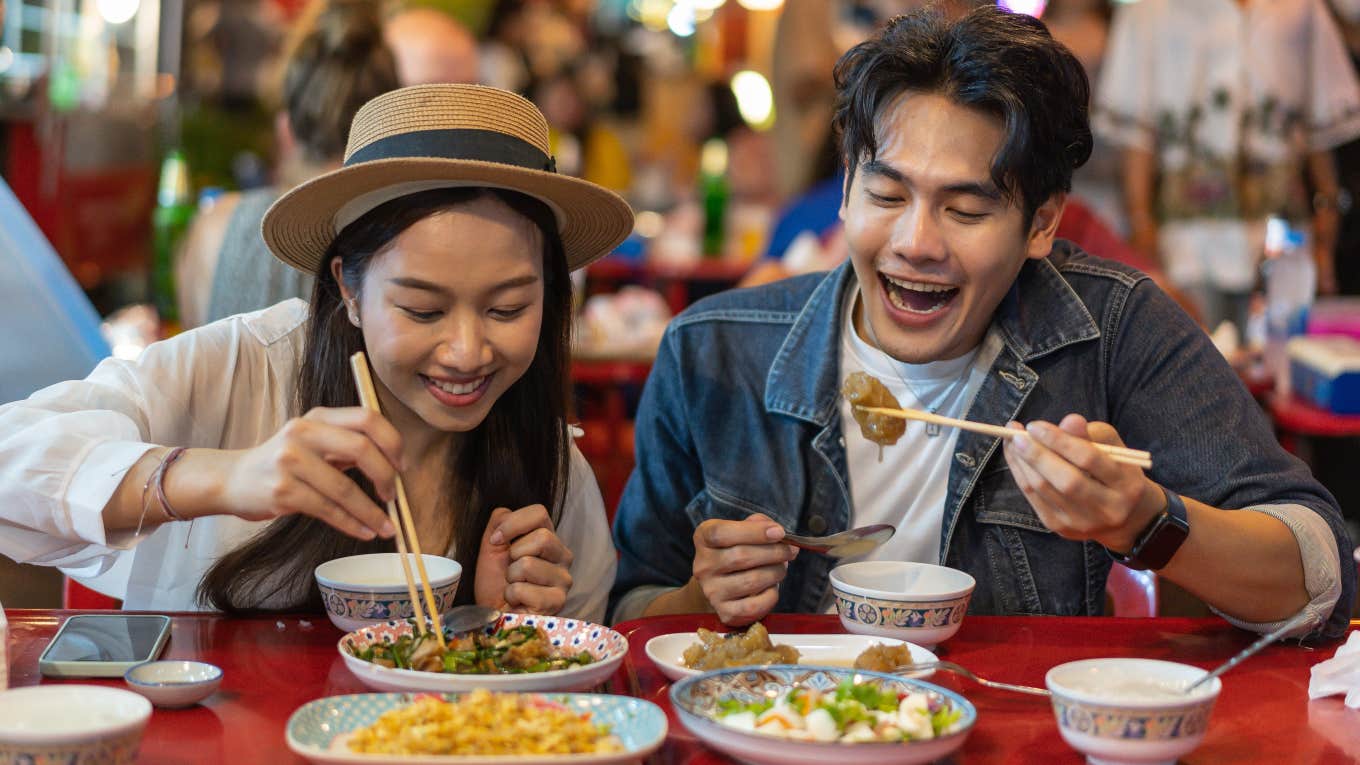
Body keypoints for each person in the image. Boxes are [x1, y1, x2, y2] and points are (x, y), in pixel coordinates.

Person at [609, 7, 1356, 641]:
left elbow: (1321, 573)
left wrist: (1146, 522)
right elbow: (630, 610)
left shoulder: (1113, 330)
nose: (916, 243)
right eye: (887, 195)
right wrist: (698, 599)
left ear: (1042, 224)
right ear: (844, 188)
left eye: (966, 209)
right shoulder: (712, 352)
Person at [0, 84, 635, 622]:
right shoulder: (248, 367)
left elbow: (572, 691)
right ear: (348, 290)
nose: (467, 352)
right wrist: (224, 476)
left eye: (507, 310)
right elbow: (13, 456)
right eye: (422, 310)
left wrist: (504, 630)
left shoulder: (550, 464)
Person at [176, 1, 481, 329]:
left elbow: (199, 361)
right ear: (390, 123)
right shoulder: (401, 233)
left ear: (287, 129)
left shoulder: (214, 228)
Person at [1096, 0, 1360, 329]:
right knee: (1193, 361)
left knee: (1282, 364)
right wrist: (1142, 232)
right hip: (1185, 246)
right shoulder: (1149, 11)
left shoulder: (1300, 7)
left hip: (1284, 239)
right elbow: (1137, 138)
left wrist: (1326, 230)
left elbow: (1322, 127)